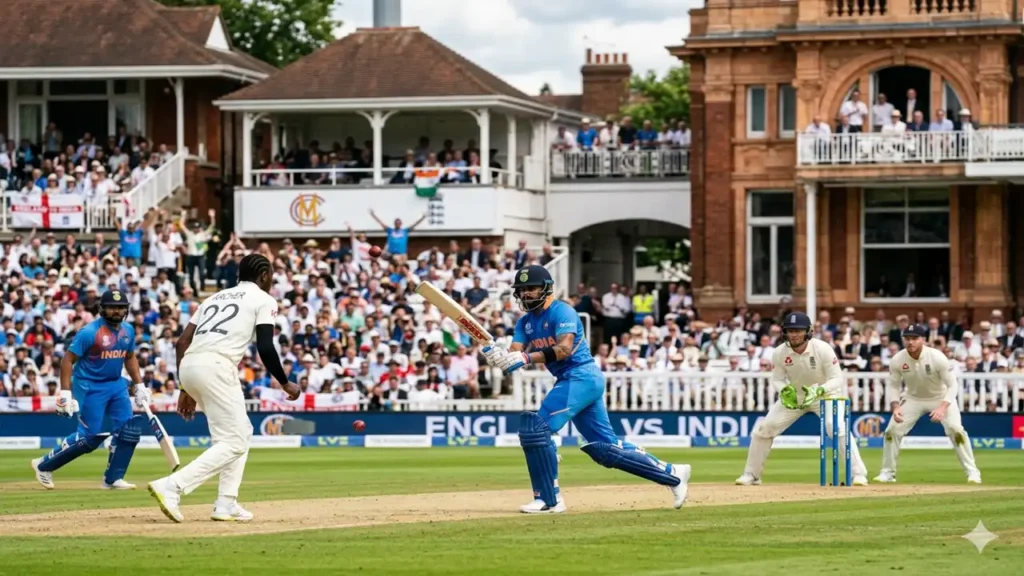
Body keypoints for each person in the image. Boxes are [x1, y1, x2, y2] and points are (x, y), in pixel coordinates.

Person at [482, 265, 690, 514]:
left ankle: (550, 500)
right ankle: (673, 474)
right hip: (571, 381)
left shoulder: (563, 312)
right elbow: (515, 354)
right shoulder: (525, 322)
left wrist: (525, 358)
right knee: (605, 450)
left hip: (582, 376)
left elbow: (564, 349)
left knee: (536, 429)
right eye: (522, 290)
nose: (525, 294)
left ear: (547, 289)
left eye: (531, 288)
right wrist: (499, 356)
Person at [147, 254, 300, 523]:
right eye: (272, 275)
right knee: (236, 440)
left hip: (191, 365)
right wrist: (285, 382)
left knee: (235, 436)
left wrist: (186, 387)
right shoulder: (264, 300)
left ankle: (226, 503)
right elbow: (265, 347)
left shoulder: (213, 298)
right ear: (264, 275)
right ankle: (173, 486)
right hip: (217, 365)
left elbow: (182, 342)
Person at [31, 289, 148, 490]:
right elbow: (68, 360)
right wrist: (65, 392)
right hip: (90, 385)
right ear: (102, 309)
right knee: (88, 438)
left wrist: (139, 385)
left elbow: (129, 357)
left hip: (116, 384)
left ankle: (112, 478)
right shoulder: (89, 332)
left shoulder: (128, 330)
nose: (117, 312)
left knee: (128, 432)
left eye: (121, 308)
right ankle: (43, 465)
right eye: (112, 308)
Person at [735, 312, 869, 486]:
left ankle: (858, 474)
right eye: (790, 331)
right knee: (764, 429)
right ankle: (752, 475)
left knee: (834, 426)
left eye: (798, 330)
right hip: (796, 396)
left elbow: (837, 379)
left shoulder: (822, 348)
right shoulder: (780, 352)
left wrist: (819, 390)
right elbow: (777, 379)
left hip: (825, 394)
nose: (794, 334)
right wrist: (784, 391)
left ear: (808, 331)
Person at [874, 324, 981, 484]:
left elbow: (953, 385)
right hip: (913, 398)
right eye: (907, 339)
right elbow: (894, 386)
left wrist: (942, 407)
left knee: (956, 430)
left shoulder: (937, 357)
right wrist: (896, 407)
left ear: (923, 340)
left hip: (941, 397)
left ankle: (972, 472)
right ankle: (888, 473)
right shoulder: (898, 359)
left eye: (914, 338)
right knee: (891, 431)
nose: (910, 342)